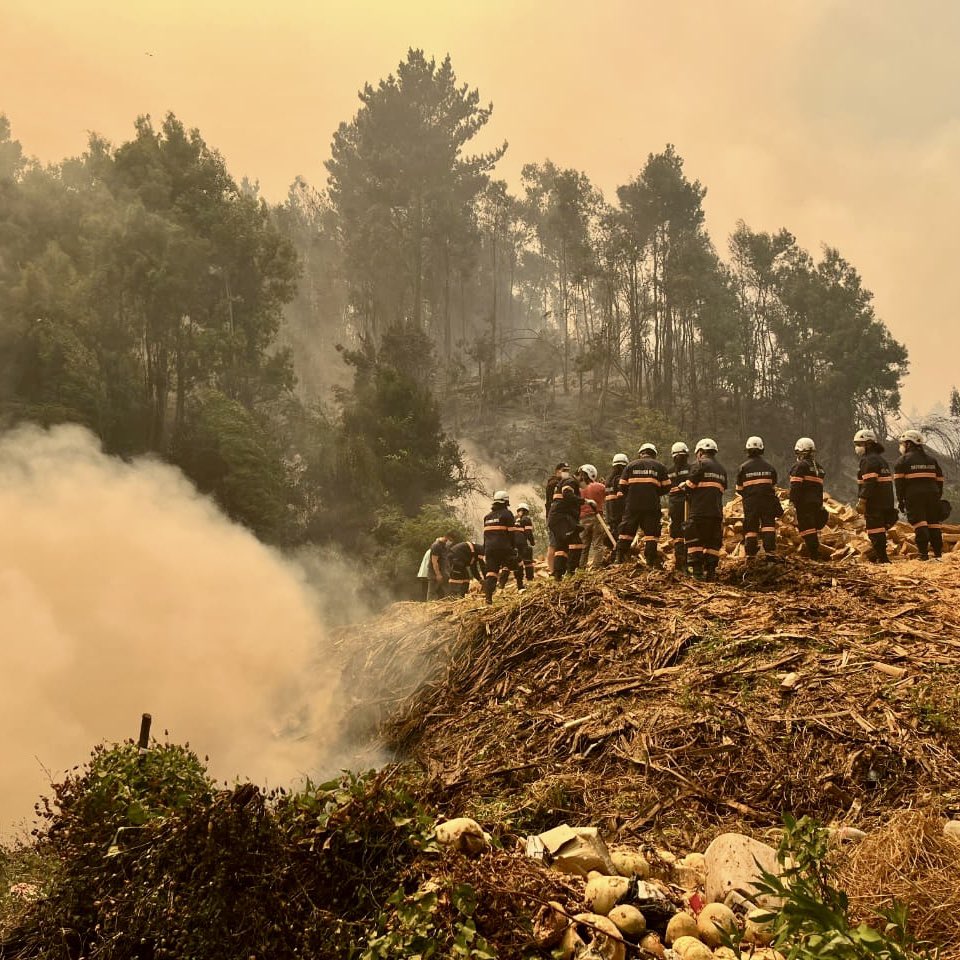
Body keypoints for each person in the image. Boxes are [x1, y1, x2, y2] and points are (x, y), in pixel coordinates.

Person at [894, 429, 945, 561]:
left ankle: (923, 555)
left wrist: (900, 500)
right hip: (933, 495)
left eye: (903, 443)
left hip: (914, 496)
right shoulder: (931, 460)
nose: (901, 446)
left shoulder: (902, 461)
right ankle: (938, 554)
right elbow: (940, 480)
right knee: (934, 523)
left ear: (909, 444)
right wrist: (937, 494)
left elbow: (899, 484)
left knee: (919, 523)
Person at [617, 443, 671, 567]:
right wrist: (654, 493)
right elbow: (667, 486)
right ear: (654, 454)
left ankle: (620, 559)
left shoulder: (630, 466)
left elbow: (622, 486)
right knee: (651, 534)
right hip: (651, 506)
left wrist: (632, 495)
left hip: (632, 506)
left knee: (626, 531)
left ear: (641, 453)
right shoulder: (660, 466)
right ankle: (650, 562)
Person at [684, 438, 728, 580]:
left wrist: (682, 486)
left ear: (701, 452)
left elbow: (690, 485)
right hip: (715, 512)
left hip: (699, 511)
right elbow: (722, 489)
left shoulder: (699, 464)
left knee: (695, 541)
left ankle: (697, 573)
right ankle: (711, 573)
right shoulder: (721, 469)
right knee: (712, 543)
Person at [736, 436, 782, 561]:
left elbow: (739, 489)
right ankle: (770, 554)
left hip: (750, 502)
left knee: (751, 528)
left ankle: (750, 555)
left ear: (748, 450)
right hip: (767, 501)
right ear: (762, 449)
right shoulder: (769, 467)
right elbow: (773, 486)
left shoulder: (743, 468)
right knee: (768, 526)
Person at [854, 428, 895, 564]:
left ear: (868, 444)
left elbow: (869, 483)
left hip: (875, 501)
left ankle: (883, 559)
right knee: (880, 529)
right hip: (886, 500)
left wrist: (862, 500)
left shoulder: (868, 460)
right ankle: (881, 556)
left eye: (859, 444)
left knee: (875, 529)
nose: (857, 448)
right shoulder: (881, 460)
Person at [788, 437, 826, 560]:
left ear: (801, 452)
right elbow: (819, 489)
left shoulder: (800, 466)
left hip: (804, 504)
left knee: (806, 528)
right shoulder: (819, 468)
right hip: (816, 503)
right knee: (812, 527)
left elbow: (795, 486)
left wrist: (791, 502)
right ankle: (814, 552)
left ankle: (814, 554)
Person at [548, 466, 589, 579]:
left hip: (557, 518)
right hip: (562, 518)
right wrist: (585, 501)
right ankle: (571, 572)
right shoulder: (571, 481)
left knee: (562, 547)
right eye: (588, 480)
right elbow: (567, 494)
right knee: (576, 542)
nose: (588, 484)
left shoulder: (567, 481)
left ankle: (558, 576)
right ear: (582, 475)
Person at [483, 491, 516, 603]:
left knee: (491, 572)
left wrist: (485, 551)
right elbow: (512, 533)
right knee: (508, 564)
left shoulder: (487, 517)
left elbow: (485, 537)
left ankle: (488, 598)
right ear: (505, 501)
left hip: (489, 549)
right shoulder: (507, 514)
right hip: (503, 547)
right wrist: (513, 548)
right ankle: (502, 585)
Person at [577, 464, 607, 568]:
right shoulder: (600, 486)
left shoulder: (577, 488)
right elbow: (606, 494)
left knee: (584, 545)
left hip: (582, 519)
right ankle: (596, 566)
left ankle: (581, 567)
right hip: (597, 517)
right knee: (598, 544)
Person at [667, 442, 691, 571]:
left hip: (674, 505)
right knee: (688, 532)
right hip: (688, 503)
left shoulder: (669, 471)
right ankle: (688, 563)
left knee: (677, 533)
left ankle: (679, 562)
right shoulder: (691, 468)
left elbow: (665, 487)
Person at [544, 462, 569, 574]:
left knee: (561, 543)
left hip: (561, 518)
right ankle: (552, 570)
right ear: (557, 471)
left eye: (567, 470)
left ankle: (561, 568)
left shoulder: (561, 482)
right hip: (553, 518)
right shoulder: (553, 484)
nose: (566, 472)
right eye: (564, 470)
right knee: (553, 544)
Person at [427, 531, 457, 599]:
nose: (451, 542)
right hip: (435, 574)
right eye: (451, 540)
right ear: (447, 537)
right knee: (432, 593)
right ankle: (429, 607)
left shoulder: (445, 546)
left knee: (447, 593)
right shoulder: (436, 546)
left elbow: (445, 560)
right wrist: (438, 574)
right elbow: (434, 561)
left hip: (444, 574)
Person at [513, 502, 536, 582]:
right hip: (522, 542)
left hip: (512, 543)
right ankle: (530, 579)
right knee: (528, 560)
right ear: (526, 511)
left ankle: (518, 580)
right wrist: (532, 542)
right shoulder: (526, 519)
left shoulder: (513, 518)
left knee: (517, 560)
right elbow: (528, 532)